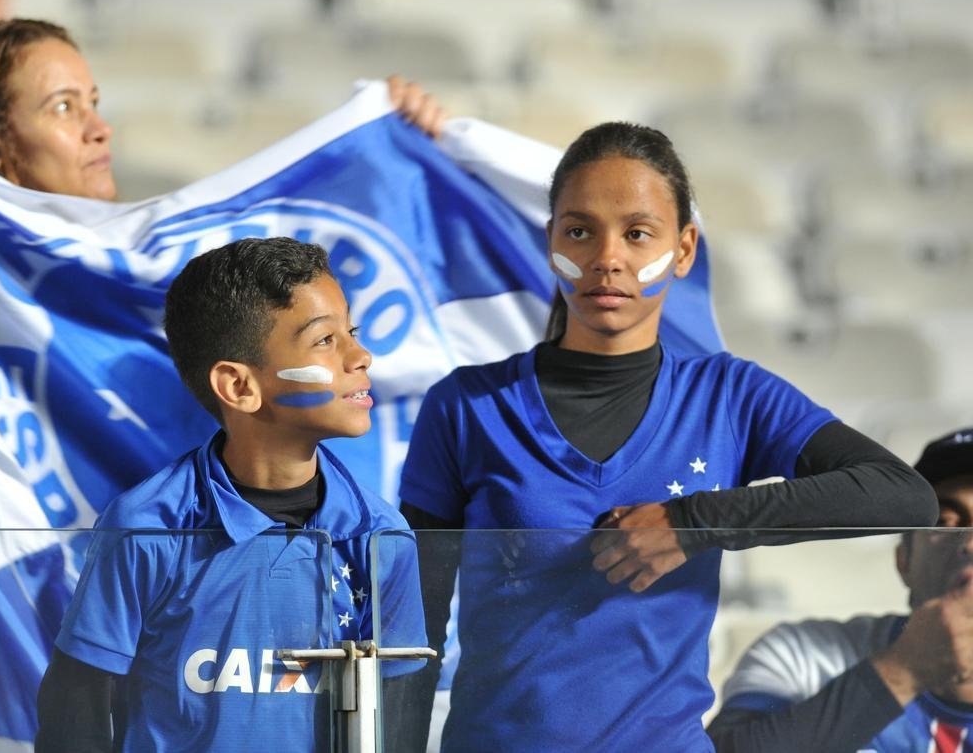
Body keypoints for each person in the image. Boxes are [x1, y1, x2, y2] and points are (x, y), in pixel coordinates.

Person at [395, 121, 939, 750]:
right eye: (579, 231)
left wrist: (692, 522)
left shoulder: (732, 395)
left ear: (683, 250)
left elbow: (903, 494)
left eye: (636, 233)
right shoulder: (466, 405)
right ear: (550, 243)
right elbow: (415, 627)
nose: (607, 258)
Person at [0, 17, 446, 443]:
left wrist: (398, 154)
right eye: (64, 107)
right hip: (33, 653)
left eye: (94, 102)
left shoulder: (171, 264)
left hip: (191, 643)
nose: (100, 127)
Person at [33, 237, 426, 751]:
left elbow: (397, 723)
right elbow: (74, 716)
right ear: (238, 387)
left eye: (350, 331)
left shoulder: (381, 537)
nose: (361, 355)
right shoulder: (147, 526)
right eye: (325, 341)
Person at [709, 427, 973, 752]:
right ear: (903, 560)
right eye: (946, 522)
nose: (970, 544)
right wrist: (903, 670)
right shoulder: (805, 656)